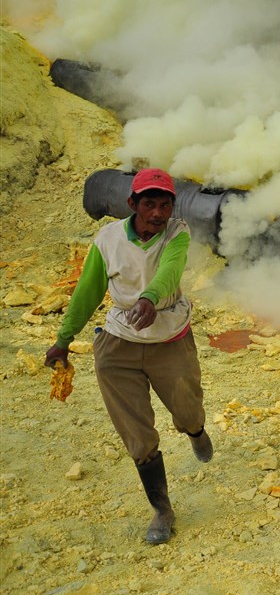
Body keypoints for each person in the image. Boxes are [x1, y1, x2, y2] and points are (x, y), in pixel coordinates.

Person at [45, 168, 213, 544]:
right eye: (149, 204)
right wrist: (63, 339)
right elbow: (88, 290)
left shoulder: (177, 233)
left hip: (169, 335)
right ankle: (162, 510)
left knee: (187, 409)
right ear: (132, 204)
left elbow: (170, 271)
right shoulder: (108, 239)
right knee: (136, 432)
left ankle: (195, 431)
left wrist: (149, 299)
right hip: (120, 341)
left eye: (165, 205)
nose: (157, 213)